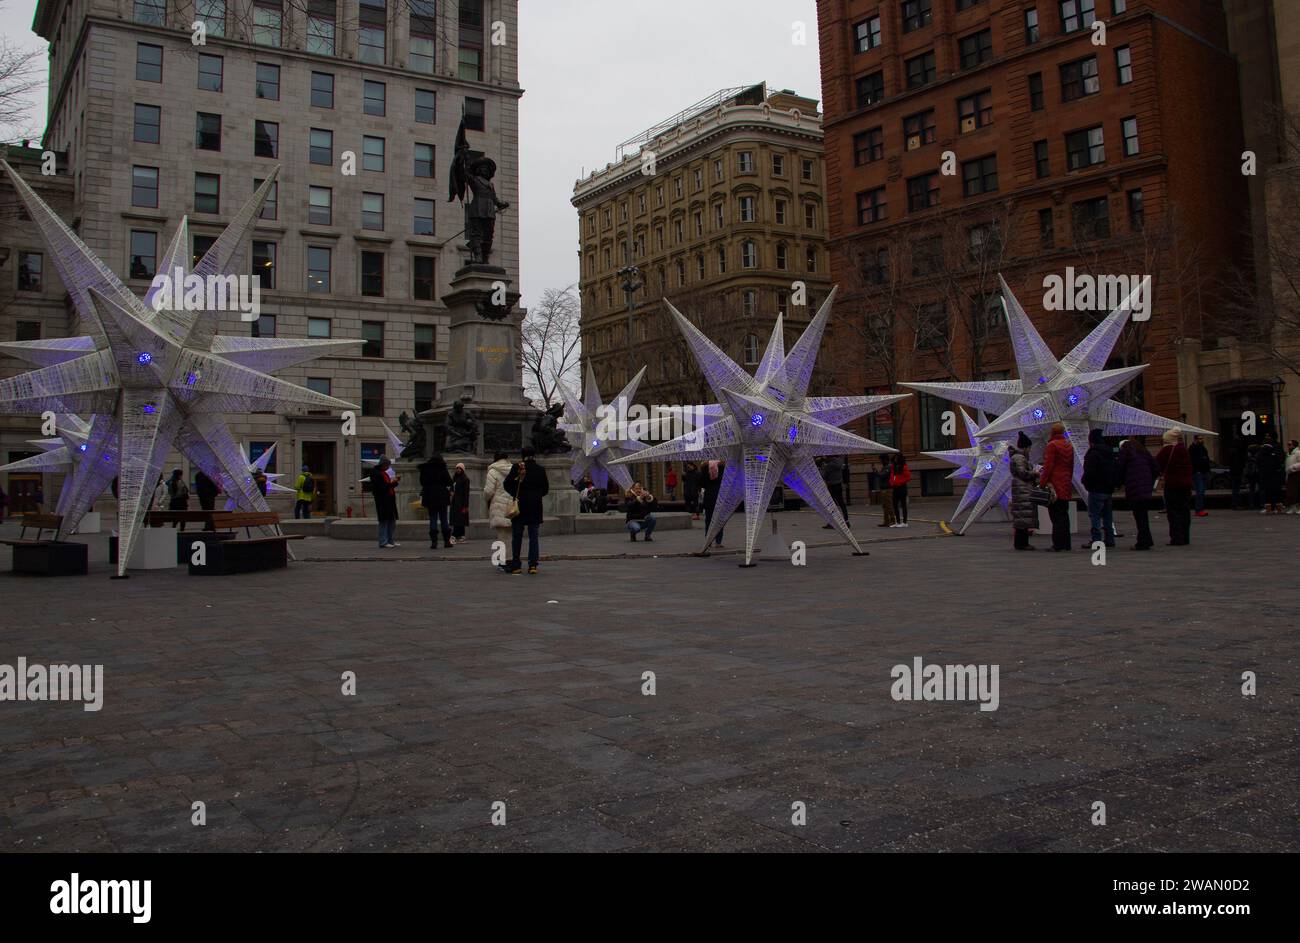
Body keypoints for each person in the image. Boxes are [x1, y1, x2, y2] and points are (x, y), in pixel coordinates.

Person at [503, 446, 549, 574]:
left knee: (517, 536)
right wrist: (536, 495)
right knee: (533, 537)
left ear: (522, 455)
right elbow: (545, 489)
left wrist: (515, 494)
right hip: (535, 506)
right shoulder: (540, 470)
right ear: (534, 455)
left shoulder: (517, 468)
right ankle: (533, 565)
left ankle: (516, 564)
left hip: (520, 505)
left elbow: (506, 484)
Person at [1116, 436, 1159, 550]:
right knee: (1143, 515)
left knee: (1140, 516)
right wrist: (1149, 481)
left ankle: (1143, 542)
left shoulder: (1125, 451)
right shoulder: (1143, 451)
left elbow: (1120, 468)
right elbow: (1155, 468)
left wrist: (1118, 483)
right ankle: (1146, 540)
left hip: (1134, 488)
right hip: (1145, 488)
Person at [1039, 422, 1074, 551]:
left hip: (1055, 485)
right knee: (1064, 515)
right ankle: (1066, 543)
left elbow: (1048, 467)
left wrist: (1042, 483)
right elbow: (1071, 466)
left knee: (1055, 516)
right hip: (1065, 484)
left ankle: (1058, 544)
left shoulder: (1052, 445)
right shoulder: (1069, 445)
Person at [1155, 427, 1192, 545]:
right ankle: (1186, 537)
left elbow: (1157, 465)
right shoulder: (1183, 449)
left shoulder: (1167, 450)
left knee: (1173, 512)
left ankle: (1177, 538)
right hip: (1186, 485)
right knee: (1184, 511)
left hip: (1172, 484)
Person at [1081, 428, 1117, 549]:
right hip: (1108, 488)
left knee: (1095, 515)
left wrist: (1085, 482)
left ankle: (1096, 540)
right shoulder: (1109, 452)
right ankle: (1110, 538)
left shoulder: (1093, 453)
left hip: (1096, 488)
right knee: (1107, 515)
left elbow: (1089, 472)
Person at [1007, 432, 1038, 549]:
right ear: (1025, 447)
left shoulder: (1017, 457)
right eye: (1029, 448)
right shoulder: (1019, 458)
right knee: (1023, 516)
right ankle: (1022, 543)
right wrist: (1034, 473)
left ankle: (1021, 543)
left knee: (1022, 515)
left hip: (1021, 488)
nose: (1030, 450)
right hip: (1022, 489)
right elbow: (1022, 473)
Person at [482, 451, 515, 560]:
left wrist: (487, 499)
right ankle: (512, 559)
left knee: (501, 536)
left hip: (499, 506)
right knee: (512, 536)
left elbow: (489, 491)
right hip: (512, 507)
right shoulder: (514, 470)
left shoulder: (493, 471)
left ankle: (503, 561)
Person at [418, 453, 453, 549]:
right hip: (442, 496)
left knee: (433, 518)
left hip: (430, 496)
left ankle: (434, 542)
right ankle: (446, 542)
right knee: (444, 518)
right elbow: (449, 481)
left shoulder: (425, 469)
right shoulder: (442, 468)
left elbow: (422, 482)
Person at [369, 456, 400, 548]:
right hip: (382, 501)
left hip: (388, 500)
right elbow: (382, 487)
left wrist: (393, 483)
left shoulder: (382, 473)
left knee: (391, 521)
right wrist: (393, 483)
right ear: (383, 465)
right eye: (387, 465)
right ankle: (383, 541)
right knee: (384, 521)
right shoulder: (377, 474)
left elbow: (386, 485)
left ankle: (390, 540)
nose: (388, 467)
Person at [1257, 433, 1285, 514]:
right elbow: (1281, 460)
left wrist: (1261, 469)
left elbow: (1258, 461)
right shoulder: (1277, 448)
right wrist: (1278, 468)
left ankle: (1269, 508)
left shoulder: (1262, 450)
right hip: (1275, 473)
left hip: (1266, 473)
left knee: (1267, 491)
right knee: (1277, 490)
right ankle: (1278, 507)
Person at [700, 459, 725, 548]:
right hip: (719, 497)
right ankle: (718, 542)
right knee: (719, 520)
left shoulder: (705, 471)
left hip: (709, 498)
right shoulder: (721, 468)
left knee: (709, 521)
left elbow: (702, 484)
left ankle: (708, 541)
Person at [821, 455, 848, 528]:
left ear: (829, 457)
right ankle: (846, 521)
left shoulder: (829, 465)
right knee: (841, 503)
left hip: (832, 486)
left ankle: (832, 523)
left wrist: (823, 467)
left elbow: (824, 476)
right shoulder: (839, 462)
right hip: (838, 485)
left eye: (826, 457)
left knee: (831, 505)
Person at [1188, 434, 1212, 517]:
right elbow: (1192, 461)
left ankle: (1200, 509)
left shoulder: (1203, 448)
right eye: (1200, 439)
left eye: (1202, 438)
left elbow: (1206, 459)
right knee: (1200, 491)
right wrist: (1196, 470)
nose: (1201, 440)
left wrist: (1208, 471)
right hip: (1197, 473)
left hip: (1204, 472)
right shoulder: (1192, 448)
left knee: (1202, 491)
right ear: (1195, 439)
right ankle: (1199, 510)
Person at [888, 453, 911, 528]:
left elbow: (908, 477)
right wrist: (891, 482)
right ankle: (897, 522)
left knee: (903, 505)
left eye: (897, 458)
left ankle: (904, 522)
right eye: (895, 458)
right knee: (895, 505)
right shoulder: (893, 467)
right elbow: (892, 476)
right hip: (895, 488)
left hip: (902, 487)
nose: (895, 459)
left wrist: (899, 482)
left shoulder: (904, 467)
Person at [451, 463, 471, 542]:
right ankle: (460, 535)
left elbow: (466, 492)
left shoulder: (465, 479)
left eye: (460, 468)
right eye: (457, 468)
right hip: (455, 501)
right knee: (457, 518)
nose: (458, 470)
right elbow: (452, 487)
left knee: (460, 518)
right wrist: (451, 491)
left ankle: (456, 534)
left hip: (461, 501)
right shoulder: (454, 478)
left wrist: (466, 505)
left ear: (462, 470)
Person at [877, 455, 896, 526]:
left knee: (889, 505)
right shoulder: (885, 467)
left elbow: (882, 475)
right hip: (884, 489)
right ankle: (886, 521)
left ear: (885, 460)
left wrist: (876, 471)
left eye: (881, 460)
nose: (880, 461)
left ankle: (893, 520)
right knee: (884, 506)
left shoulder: (889, 467)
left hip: (887, 489)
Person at [1245, 443, 1262, 509]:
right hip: (1257, 473)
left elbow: (1247, 467)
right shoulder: (1259, 456)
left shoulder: (1248, 457)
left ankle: (1251, 504)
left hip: (1250, 474)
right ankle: (1261, 503)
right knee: (1260, 489)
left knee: (1251, 489)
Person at [1285, 440, 1300, 514]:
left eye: (1289, 444)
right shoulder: (1289, 454)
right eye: (1288, 444)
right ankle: (1293, 507)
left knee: (1297, 491)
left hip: (1297, 473)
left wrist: (1293, 467)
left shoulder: (1298, 452)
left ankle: (1298, 508)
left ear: (1294, 445)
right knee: (1291, 492)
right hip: (1290, 474)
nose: (1288, 446)